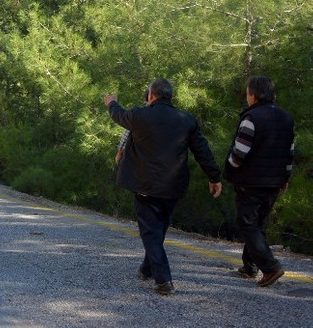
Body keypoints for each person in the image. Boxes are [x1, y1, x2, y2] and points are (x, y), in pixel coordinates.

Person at [104, 78, 222, 295]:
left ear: (151, 95)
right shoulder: (186, 120)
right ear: (171, 97)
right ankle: (147, 269)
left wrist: (111, 102)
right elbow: (202, 151)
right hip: (172, 187)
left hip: (145, 185)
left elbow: (119, 115)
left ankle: (163, 280)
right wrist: (214, 177)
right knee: (157, 230)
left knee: (150, 233)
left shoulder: (140, 116)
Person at [224, 75, 294, 288]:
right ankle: (249, 267)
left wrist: (230, 164)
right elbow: (289, 153)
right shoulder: (286, 118)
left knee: (247, 224)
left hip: (251, 180)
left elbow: (239, 154)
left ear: (253, 95)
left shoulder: (252, 117)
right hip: (274, 181)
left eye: (247, 93)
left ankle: (271, 267)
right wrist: (285, 178)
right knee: (258, 224)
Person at [115, 89, 149, 164]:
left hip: (134, 160)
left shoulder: (140, 113)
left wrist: (120, 152)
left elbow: (127, 134)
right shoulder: (170, 116)